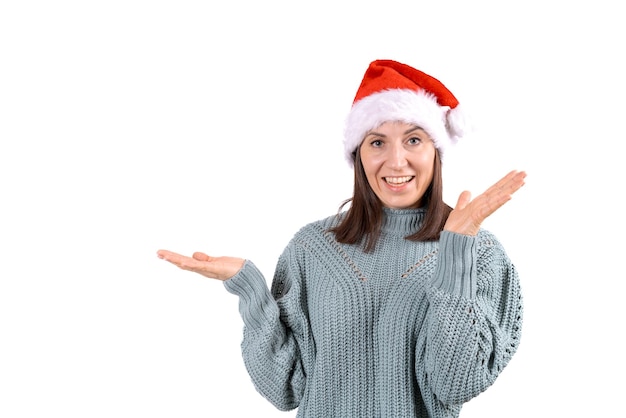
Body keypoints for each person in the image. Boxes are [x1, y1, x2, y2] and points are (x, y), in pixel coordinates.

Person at [157, 59, 526, 418]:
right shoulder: (312, 248)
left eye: (413, 140)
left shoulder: (482, 254)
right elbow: (284, 389)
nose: (396, 162)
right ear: (358, 155)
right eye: (377, 142)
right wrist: (251, 290)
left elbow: (455, 384)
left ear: (436, 152)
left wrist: (456, 254)